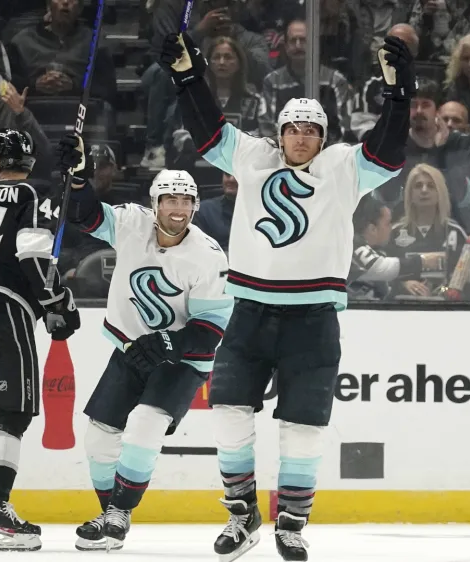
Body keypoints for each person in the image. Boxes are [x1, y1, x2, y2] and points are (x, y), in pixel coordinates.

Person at [160, 30, 413, 560]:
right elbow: (208, 132)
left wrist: (399, 96)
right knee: (228, 412)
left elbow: (387, 152)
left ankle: (292, 522)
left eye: (310, 130)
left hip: (313, 318)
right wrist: (188, 79)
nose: (300, 137)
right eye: (292, 129)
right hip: (248, 312)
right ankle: (241, 514)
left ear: (324, 136)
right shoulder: (253, 157)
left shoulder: (344, 167)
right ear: (279, 133)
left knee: (303, 426)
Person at [56, 136, 232, 551]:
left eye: (187, 202)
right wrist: (79, 179)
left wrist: (169, 343)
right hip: (131, 348)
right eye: (171, 200)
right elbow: (82, 214)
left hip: (182, 360)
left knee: (144, 426)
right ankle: (108, 513)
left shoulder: (208, 256)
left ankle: (118, 514)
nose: (179, 209)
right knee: (99, 435)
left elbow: (211, 329)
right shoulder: (132, 224)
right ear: (155, 204)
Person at [0, 129, 81, 551]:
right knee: (11, 415)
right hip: (2, 311)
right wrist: (56, 301)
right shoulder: (33, 195)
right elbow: (32, 253)